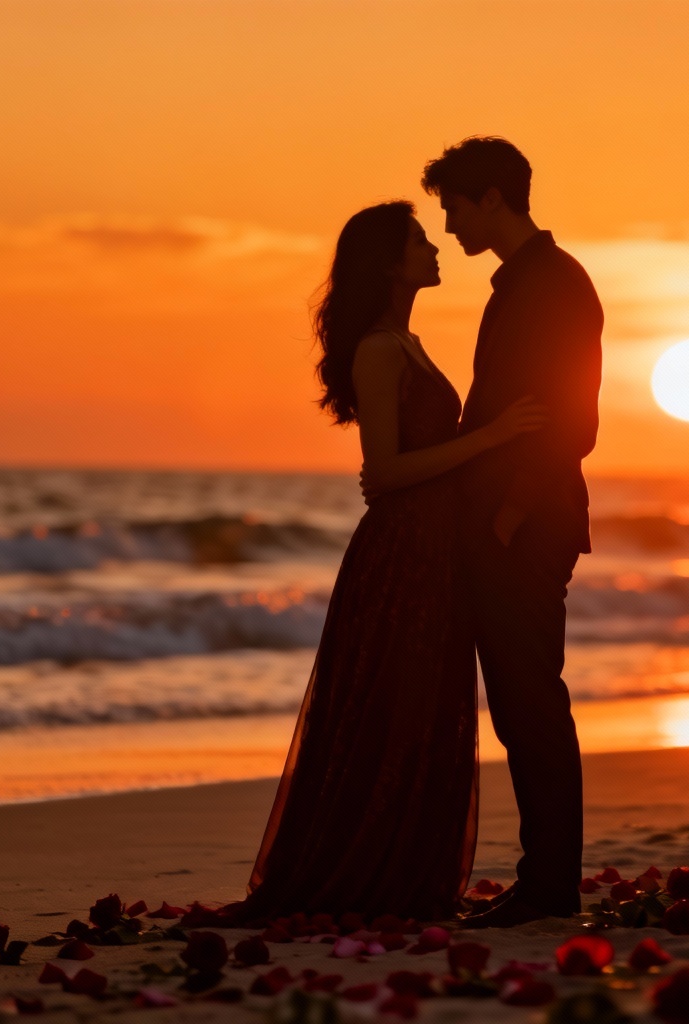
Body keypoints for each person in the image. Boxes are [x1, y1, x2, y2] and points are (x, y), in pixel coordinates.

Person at [227, 201, 545, 923]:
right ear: (388, 263)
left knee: (428, 711)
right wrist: (491, 436)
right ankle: (370, 876)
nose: (435, 249)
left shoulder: (410, 341)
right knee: (392, 712)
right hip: (400, 553)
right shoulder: (378, 348)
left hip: (436, 549)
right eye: (418, 241)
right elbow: (387, 472)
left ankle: (407, 875)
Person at [421, 137, 603, 927]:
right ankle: (545, 880)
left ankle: (550, 886)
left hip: (526, 525)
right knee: (522, 705)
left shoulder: (554, 285)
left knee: (531, 704)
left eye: (455, 206)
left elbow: (573, 420)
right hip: (511, 523)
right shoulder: (524, 283)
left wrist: (509, 512)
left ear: (493, 197)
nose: (450, 223)